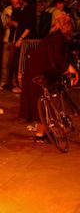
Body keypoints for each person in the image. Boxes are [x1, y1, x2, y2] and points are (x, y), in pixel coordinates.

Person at [19, 14, 78, 143]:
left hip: (34, 69)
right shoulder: (59, 38)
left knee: (42, 100)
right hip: (40, 70)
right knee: (44, 100)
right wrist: (68, 68)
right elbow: (56, 55)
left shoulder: (52, 36)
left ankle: (42, 133)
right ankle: (41, 133)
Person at [12, 0, 37, 94]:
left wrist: (20, 39)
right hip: (23, 39)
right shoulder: (25, 8)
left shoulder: (29, 9)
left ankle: (22, 85)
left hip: (25, 41)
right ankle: (21, 85)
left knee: (22, 62)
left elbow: (28, 27)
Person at [0, 0, 22, 90]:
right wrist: (7, 24)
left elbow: (23, 26)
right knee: (5, 63)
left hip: (17, 39)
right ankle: (3, 82)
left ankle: (14, 82)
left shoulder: (23, 10)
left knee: (15, 63)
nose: (13, 0)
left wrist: (14, 23)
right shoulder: (7, 10)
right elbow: (2, 23)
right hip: (7, 38)